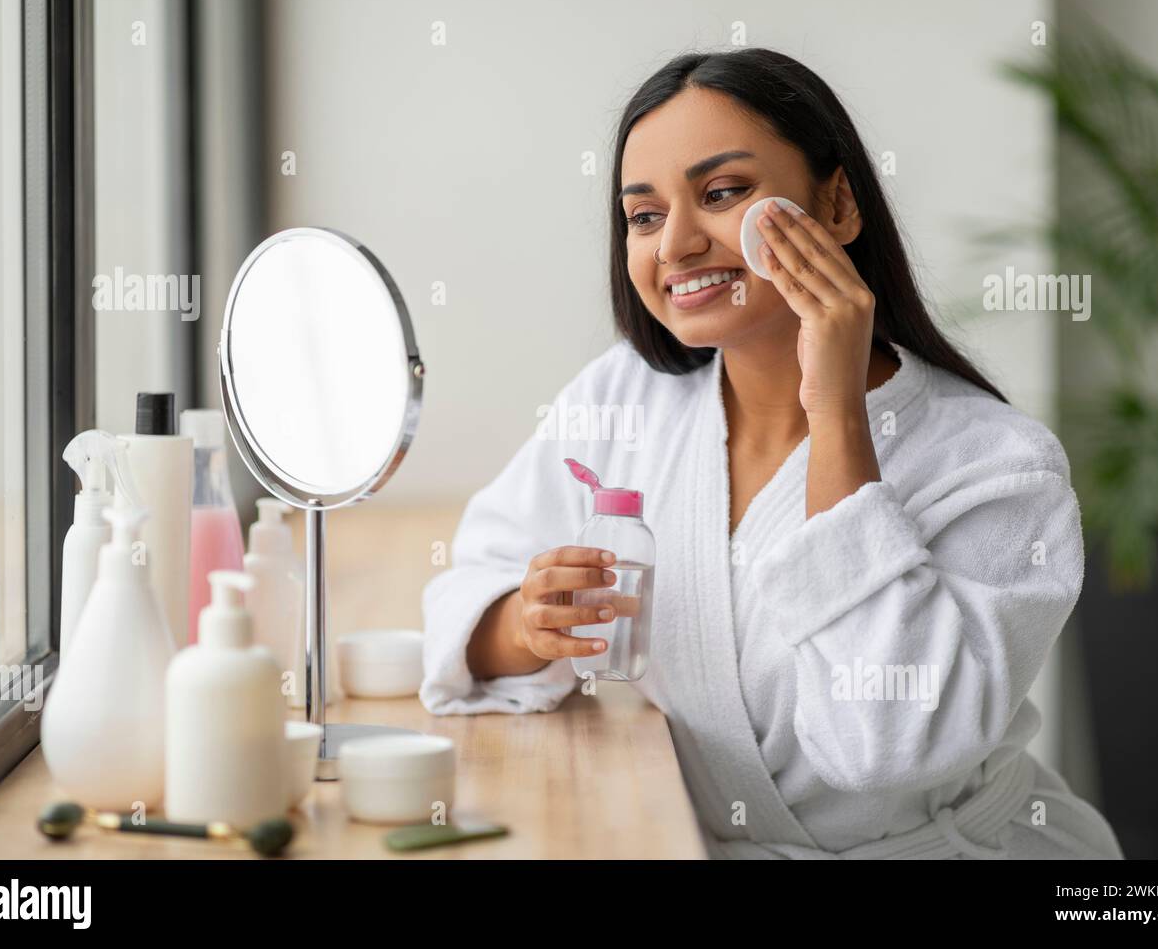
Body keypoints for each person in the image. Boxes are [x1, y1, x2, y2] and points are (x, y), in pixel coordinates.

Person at [420, 47, 1122, 859]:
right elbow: (465, 588)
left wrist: (838, 419)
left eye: (723, 193)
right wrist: (525, 623)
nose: (676, 243)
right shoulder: (623, 402)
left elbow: (886, 744)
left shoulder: (1000, 469)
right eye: (643, 216)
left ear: (838, 204)